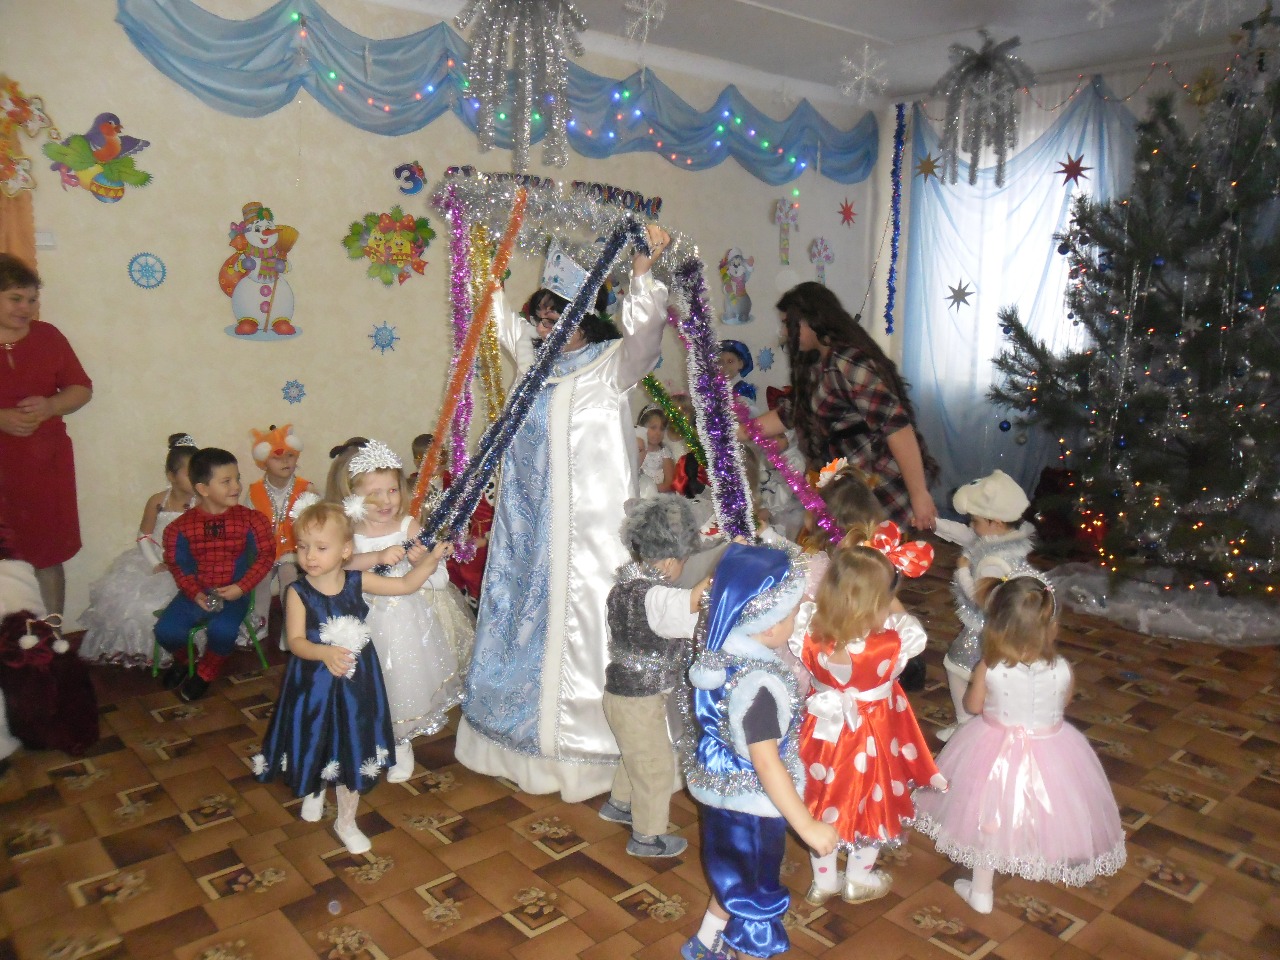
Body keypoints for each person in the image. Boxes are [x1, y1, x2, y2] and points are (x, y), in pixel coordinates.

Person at [457, 225, 671, 801]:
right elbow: (496, 315)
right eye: (542, 318)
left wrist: (643, 271)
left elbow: (646, 333)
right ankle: (516, 739)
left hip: (591, 534)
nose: (546, 328)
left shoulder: (612, 364)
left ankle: (592, 750)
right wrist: (482, 252)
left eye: (559, 318)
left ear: (587, 317)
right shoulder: (532, 359)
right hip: (529, 530)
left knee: (589, 626)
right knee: (526, 621)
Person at [912, 576, 1127, 912]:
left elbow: (972, 706)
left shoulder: (990, 666)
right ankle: (1031, 847)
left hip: (991, 749)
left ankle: (981, 891)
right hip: (1052, 749)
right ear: (1051, 626)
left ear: (998, 625)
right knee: (1047, 803)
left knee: (988, 809)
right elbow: (1062, 704)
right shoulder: (1062, 668)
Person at [251, 499, 451, 854]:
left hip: (356, 682)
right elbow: (295, 642)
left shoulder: (357, 581)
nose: (309, 556)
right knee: (316, 736)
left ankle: (346, 820)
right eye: (303, 547)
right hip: (314, 683)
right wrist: (323, 653)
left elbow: (406, 585)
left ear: (345, 550)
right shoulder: (298, 592)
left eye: (321, 548)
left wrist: (431, 560)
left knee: (351, 743)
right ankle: (314, 788)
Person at [683, 542, 838, 960]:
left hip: (725, 800)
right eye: (790, 615)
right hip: (752, 808)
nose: (795, 620)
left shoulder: (721, 655)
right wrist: (806, 825)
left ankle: (705, 943)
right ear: (768, 626)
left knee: (734, 879)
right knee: (755, 902)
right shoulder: (759, 687)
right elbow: (766, 763)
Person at [796, 546, 946, 906]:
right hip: (873, 738)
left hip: (822, 734)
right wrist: (892, 601)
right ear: (880, 600)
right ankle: (858, 879)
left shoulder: (808, 628)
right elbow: (911, 627)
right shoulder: (893, 641)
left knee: (821, 800)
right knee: (872, 802)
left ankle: (824, 883)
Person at [330, 439, 470, 782]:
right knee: (363, 682)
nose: (386, 501)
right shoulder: (346, 532)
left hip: (405, 625)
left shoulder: (408, 526)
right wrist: (373, 559)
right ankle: (367, 736)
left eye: (392, 490)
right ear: (352, 495)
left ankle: (400, 741)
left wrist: (421, 563)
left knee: (400, 682)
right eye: (373, 493)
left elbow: (439, 579)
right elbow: (334, 571)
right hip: (359, 624)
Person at [751, 282, 938, 531]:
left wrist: (919, 494)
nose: (785, 332)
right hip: (853, 484)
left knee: (875, 550)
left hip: (878, 482)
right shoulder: (817, 364)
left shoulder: (847, 363)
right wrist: (740, 431)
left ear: (811, 321)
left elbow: (897, 428)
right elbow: (790, 413)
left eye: (789, 323)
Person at [599, 495, 708, 858]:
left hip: (621, 694)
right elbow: (688, 606)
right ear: (670, 560)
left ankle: (619, 804)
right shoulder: (657, 598)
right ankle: (647, 837)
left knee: (636, 754)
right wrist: (717, 577)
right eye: (684, 561)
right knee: (655, 767)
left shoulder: (624, 587)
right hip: (639, 700)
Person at [0, 253, 93, 618]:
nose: (26, 307)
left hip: (44, 469)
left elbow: (81, 389)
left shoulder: (48, 337)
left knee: (48, 556)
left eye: (32, 299)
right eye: (16, 298)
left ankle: (52, 640)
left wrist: (51, 406)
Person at [154, 447, 275, 702]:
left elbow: (265, 556)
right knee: (165, 630)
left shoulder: (252, 520)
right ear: (203, 488)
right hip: (196, 594)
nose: (236, 486)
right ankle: (186, 661)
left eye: (237, 478)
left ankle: (206, 672)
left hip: (235, 593)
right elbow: (178, 565)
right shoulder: (179, 528)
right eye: (226, 481)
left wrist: (242, 587)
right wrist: (194, 593)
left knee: (223, 631)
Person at [79, 434, 199, 666]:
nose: (196, 478)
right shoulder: (157, 501)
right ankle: (136, 649)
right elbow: (144, 535)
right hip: (154, 560)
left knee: (172, 604)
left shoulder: (201, 503)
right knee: (134, 604)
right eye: (189, 473)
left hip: (187, 565)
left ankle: (180, 649)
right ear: (171, 476)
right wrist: (155, 563)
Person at [933, 469, 1035, 741]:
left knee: (955, 666)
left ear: (995, 522)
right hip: (999, 624)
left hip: (985, 627)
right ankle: (974, 721)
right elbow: (967, 536)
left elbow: (981, 598)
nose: (972, 525)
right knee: (981, 674)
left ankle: (966, 724)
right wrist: (935, 524)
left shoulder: (994, 561)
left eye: (975, 520)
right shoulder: (1001, 540)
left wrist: (962, 572)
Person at [246, 423, 313, 642]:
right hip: (264, 551)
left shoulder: (306, 489)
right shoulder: (254, 491)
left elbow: (316, 524)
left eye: (290, 456)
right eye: (277, 458)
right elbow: (248, 526)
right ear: (263, 463)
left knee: (289, 577)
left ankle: (292, 631)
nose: (285, 462)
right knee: (261, 579)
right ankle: (258, 625)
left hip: (295, 550)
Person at [635, 406, 676, 497]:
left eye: (662, 429)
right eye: (653, 428)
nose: (658, 433)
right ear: (642, 428)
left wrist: (650, 489)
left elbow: (669, 483)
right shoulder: (636, 449)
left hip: (659, 496)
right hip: (638, 494)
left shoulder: (664, 452)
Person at [718, 339, 761, 416]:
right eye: (720, 362)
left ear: (740, 364)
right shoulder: (713, 388)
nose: (725, 366)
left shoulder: (742, 389)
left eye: (730, 361)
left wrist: (745, 409)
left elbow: (754, 414)